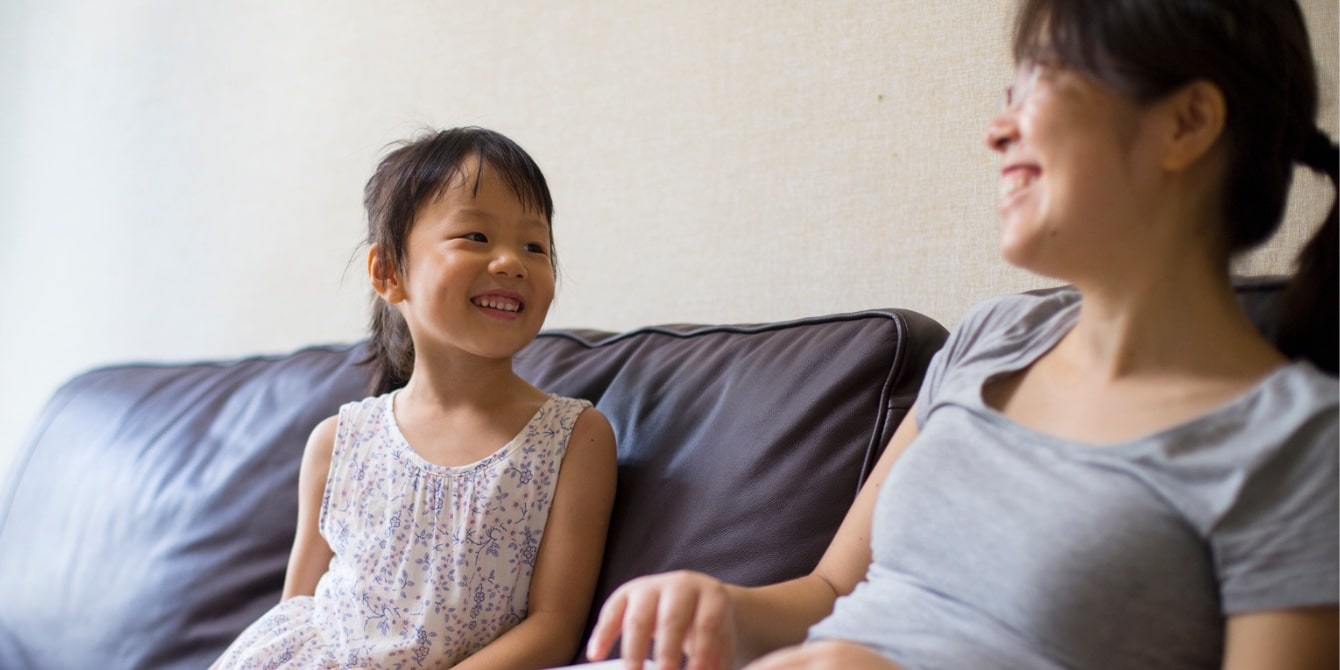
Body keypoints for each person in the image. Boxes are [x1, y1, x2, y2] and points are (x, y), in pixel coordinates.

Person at [582, 0, 1339, 668]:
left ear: (1187, 122)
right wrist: (721, 607)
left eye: (1042, 82)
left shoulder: (1297, 444)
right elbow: (832, 591)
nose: (995, 129)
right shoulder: (994, 336)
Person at [213, 127, 618, 669]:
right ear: (388, 272)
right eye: (475, 236)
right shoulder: (339, 441)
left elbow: (554, 627)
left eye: (534, 245)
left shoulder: (573, 438)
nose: (511, 262)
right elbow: (297, 611)